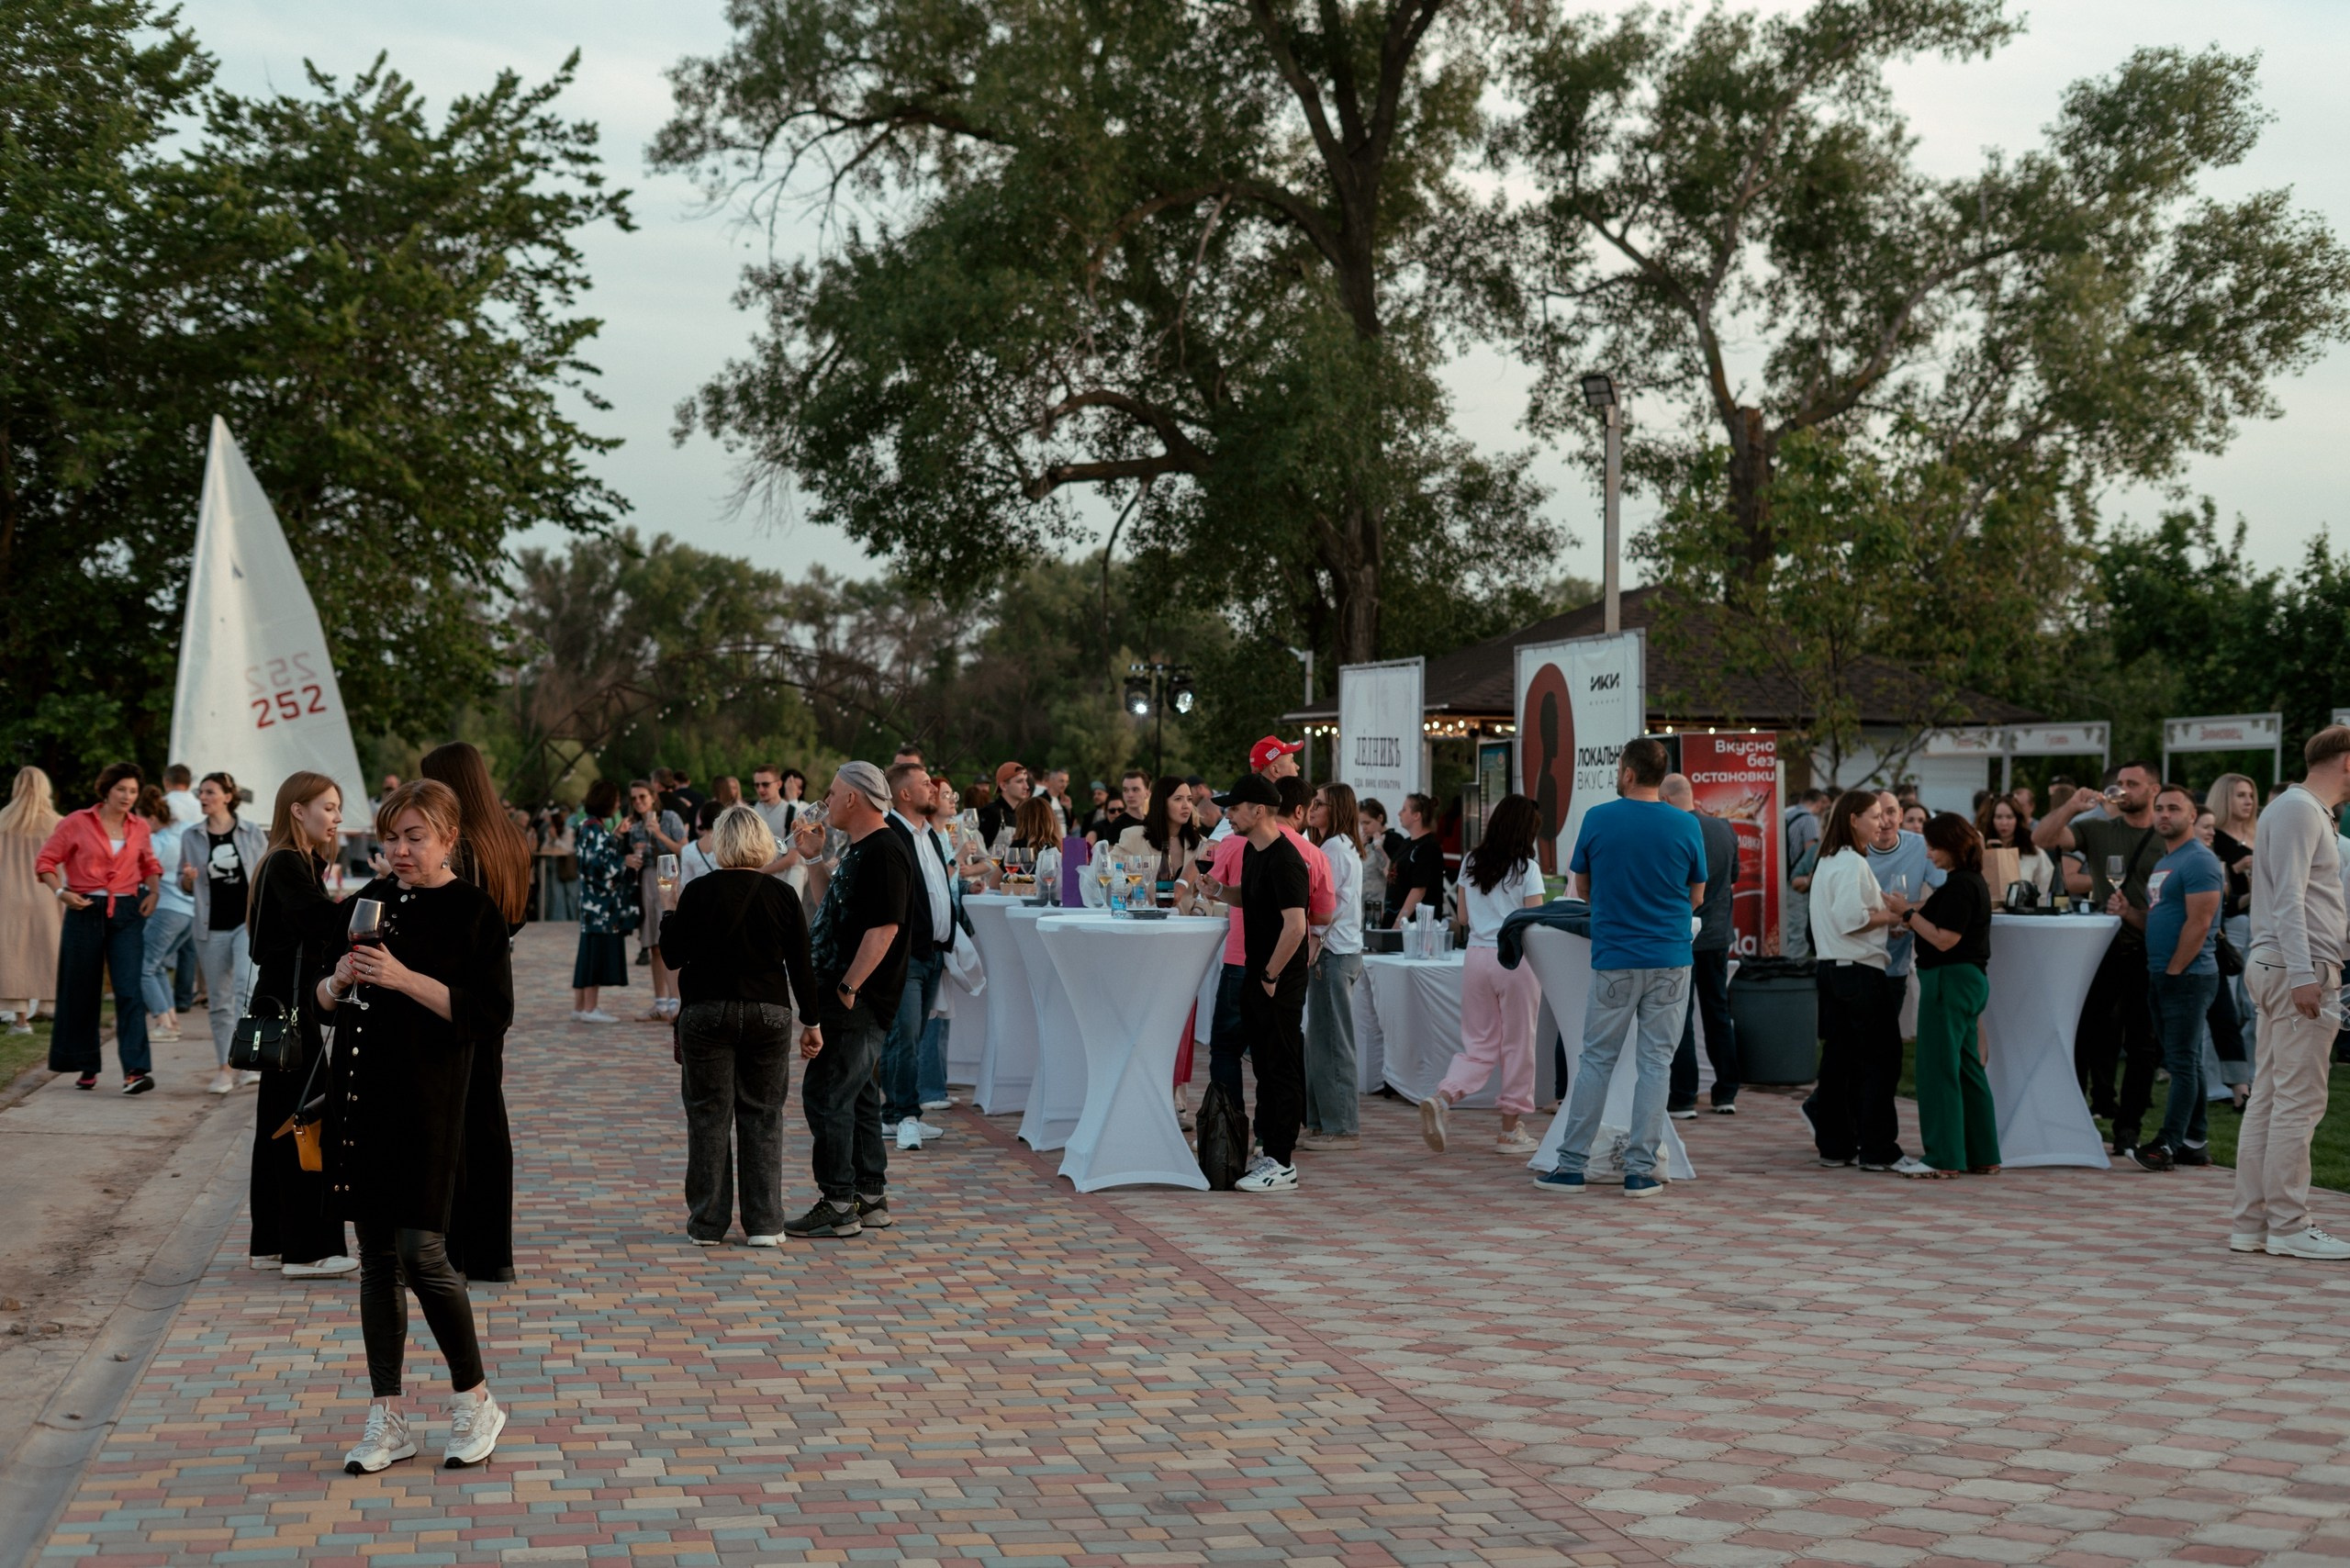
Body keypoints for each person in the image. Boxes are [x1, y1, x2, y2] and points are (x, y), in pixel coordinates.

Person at [316, 779, 513, 1473]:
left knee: (423, 1253)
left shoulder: (472, 911)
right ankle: (387, 1415)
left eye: (414, 838)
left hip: (431, 1099)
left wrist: (400, 978)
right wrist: (340, 979)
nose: (398, 851)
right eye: (390, 838)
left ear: (449, 838)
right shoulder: (368, 902)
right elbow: (320, 997)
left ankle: (475, 1399)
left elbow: (489, 1013)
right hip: (361, 1095)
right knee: (375, 1259)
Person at [1534, 740, 1707, 1196]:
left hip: (1615, 958)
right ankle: (1640, 1170)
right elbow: (1697, 895)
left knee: (1595, 1061)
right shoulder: (1685, 824)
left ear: (1628, 773)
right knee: (1655, 1065)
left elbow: (1583, 886)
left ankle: (1571, 1165)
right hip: (1671, 958)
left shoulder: (1598, 818)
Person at [659, 805, 819, 1246]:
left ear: (721, 842)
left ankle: (709, 1223)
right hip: (768, 1011)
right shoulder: (782, 895)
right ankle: (765, 1223)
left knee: (709, 1116)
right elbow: (801, 966)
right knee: (763, 1116)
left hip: (707, 1011)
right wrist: (812, 1021)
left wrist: (668, 908)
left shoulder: (697, 891)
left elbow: (671, 955)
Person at [2231, 726, 2350, 1260]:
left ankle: (2253, 1224)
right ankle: (2288, 1223)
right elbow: (2291, 903)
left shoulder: (2290, 809)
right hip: (2295, 968)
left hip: (2278, 963)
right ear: (2346, 763)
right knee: (2297, 1102)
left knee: (2272, 1099)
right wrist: (2306, 974)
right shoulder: (2302, 810)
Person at [419, 741, 532, 1284]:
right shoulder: (509, 838)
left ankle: (458, 1247)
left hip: (454, 989)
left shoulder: (461, 850)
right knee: (488, 1114)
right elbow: (518, 919)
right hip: (497, 979)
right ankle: (494, 1252)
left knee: (455, 1118)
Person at [789, 762, 912, 1238]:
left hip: (857, 1000)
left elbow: (884, 929)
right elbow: (829, 907)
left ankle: (837, 1202)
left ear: (854, 799)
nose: (826, 799)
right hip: (849, 996)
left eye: (833, 791)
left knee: (826, 1095)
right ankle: (870, 1195)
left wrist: (847, 988)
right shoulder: (861, 849)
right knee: (858, 1097)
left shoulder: (883, 850)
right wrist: (815, 859)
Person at [244, 771, 358, 1278]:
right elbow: (325, 923)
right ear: (298, 809)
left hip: (280, 1006)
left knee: (280, 1120)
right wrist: (381, 888)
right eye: (329, 807)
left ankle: (272, 1239)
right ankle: (307, 1250)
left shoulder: (291, 862)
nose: (336, 818)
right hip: (292, 1010)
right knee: (306, 1120)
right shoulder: (287, 862)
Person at [2035, 761, 2166, 1151]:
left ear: (2154, 789)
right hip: (2101, 949)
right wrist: (2073, 806)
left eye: (2133, 784)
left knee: (2142, 1044)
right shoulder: (2097, 829)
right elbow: (2043, 837)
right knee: (2085, 1035)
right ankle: (2076, 1119)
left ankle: (2128, 1127)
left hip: (2149, 947)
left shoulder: (2167, 837)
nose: (2123, 789)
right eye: (2119, 784)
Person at [1422, 793, 1547, 1154]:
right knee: (1518, 1045)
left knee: (1478, 1045)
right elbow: (1533, 922)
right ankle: (1510, 1129)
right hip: (1514, 958)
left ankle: (1444, 1097)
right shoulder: (1527, 868)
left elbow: (1462, 917)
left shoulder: (1472, 861)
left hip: (1476, 956)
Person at [1799, 791, 1916, 1174]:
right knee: (1880, 1061)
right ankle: (1879, 1148)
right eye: (1874, 816)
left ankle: (1836, 1146)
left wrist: (1884, 921)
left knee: (1838, 1061)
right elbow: (1852, 918)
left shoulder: (1829, 861)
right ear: (1853, 819)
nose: (1881, 822)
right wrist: (1892, 916)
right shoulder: (1850, 863)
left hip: (1834, 969)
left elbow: (1838, 921)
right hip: (1860, 973)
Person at [35, 762, 161, 1092]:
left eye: (133, 791)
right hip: (84, 909)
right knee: (81, 990)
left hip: (127, 912)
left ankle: (135, 1071)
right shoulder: (76, 822)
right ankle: (85, 1064)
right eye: (121, 789)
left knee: (130, 989)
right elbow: (46, 862)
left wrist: (155, 891)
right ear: (106, 789)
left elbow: (149, 863)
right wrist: (61, 893)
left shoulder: (140, 827)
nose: (127, 796)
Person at [2122, 783, 2225, 1172]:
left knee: (2181, 1062)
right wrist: (2128, 914)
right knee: (2188, 1060)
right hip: (2165, 971)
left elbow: (2200, 923)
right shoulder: (2166, 861)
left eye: (2174, 809)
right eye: (2160, 808)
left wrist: (2176, 970)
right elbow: (2161, 917)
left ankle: (2167, 1143)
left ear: (2192, 815)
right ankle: (2194, 1141)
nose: (2165, 815)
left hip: (2187, 975)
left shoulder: (2199, 860)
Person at [1224, 774, 1310, 1193]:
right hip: (1259, 973)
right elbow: (1254, 896)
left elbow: (1296, 926)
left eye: (1235, 808)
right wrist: (1221, 892)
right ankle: (1271, 1152)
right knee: (1263, 1065)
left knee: (1281, 1067)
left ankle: (1283, 1161)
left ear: (1258, 810)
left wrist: (1271, 975)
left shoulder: (1286, 858)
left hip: (1278, 978)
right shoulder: (1255, 853)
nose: (1228, 815)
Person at [1902, 813, 1998, 1178]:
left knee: (1938, 1068)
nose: (1928, 855)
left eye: (1933, 847)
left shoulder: (1959, 886)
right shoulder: (1971, 883)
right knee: (1967, 1067)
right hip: (1969, 980)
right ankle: (1982, 1153)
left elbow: (1945, 938)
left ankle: (1943, 1157)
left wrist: (1909, 915)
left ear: (1952, 846)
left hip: (1949, 979)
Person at [879, 760, 953, 1152]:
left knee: (912, 1035)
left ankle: (895, 1114)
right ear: (904, 794)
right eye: (926, 784)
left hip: (932, 953)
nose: (934, 789)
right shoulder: (890, 835)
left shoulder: (930, 834)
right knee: (904, 1036)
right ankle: (905, 1115)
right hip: (905, 955)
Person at [1662, 773, 1742, 1116]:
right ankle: (1726, 1093)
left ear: (1665, 801)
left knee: (1681, 1014)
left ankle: (1683, 1096)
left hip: (1682, 934)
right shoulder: (1724, 828)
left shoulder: (1672, 830)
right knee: (1718, 1012)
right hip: (1718, 935)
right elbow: (1734, 875)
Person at [183, 772, 267, 1094]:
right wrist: (188, 879)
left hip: (246, 924)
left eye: (209, 792)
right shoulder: (191, 835)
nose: (203, 797)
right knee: (218, 1001)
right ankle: (224, 1068)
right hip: (210, 926)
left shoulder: (250, 833)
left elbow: (263, 873)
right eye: (200, 792)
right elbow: (185, 884)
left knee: (245, 994)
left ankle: (246, 1062)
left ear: (227, 797)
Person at [1299, 782, 1365, 1150]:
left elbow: (1326, 905)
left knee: (1332, 1041)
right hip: (1337, 950)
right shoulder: (1338, 846)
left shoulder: (1335, 849)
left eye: (1319, 804)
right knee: (1321, 1039)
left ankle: (1340, 1126)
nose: (1312, 809)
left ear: (1334, 809)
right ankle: (1324, 1121)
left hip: (1331, 951)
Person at [0, 767, 63, 1036]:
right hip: (47, 895)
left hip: (9, 896)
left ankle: (21, 1021)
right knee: (51, 953)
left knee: (14, 958)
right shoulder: (58, 823)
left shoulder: (2, 820)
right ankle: (58, 1012)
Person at [623, 780, 688, 1019]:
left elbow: (683, 849)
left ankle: (676, 1000)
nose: (638, 802)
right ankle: (660, 1002)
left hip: (670, 880)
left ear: (653, 797)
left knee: (672, 939)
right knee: (652, 943)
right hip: (647, 880)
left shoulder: (669, 817)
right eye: (634, 798)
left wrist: (658, 833)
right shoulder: (634, 824)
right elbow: (628, 855)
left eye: (642, 797)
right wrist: (631, 858)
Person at [570, 779, 632, 1023]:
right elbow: (600, 866)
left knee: (587, 954)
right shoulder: (595, 830)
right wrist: (624, 862)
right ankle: (590, 1008)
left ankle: (580, 1006)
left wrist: (614, 837)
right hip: (601, 906)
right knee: (594, 955)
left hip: (589, 904)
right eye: (616, 799)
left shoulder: (588, 827)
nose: (618, 804)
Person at [1975, 793, 2057, 903]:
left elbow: (2043, 891)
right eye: (1999, 817)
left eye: (2009, 817)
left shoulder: (2034, 852)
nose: (2004, 823)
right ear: (1992, 819)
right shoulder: (1981, 851)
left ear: (2017, 819)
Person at [1390, 792, 1447, 927]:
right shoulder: (1406, 843)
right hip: (1395, 917)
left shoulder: (1428, 847)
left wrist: (1399, 922)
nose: (1399, 813)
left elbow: (1419, 889)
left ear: (1417, 815)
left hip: (1414, 928)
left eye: (1404, 810)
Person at [1357, 798, 1393, 925]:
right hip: (1360, 909)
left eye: (1367, 822)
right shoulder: (1366, 841)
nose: (1364, 827)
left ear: (1380, 818)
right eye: (1361, 823)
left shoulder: (1393, 840)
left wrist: (1379, 848)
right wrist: (1358, 847)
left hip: (1379, 909)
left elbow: (1390, 874)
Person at [977, 763, 1029, 848]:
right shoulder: (990, 814)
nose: (1026, 786)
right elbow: (976, 853)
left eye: (1026, 780)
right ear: (1004, 786)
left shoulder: (1022, 815)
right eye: (1019, 781)